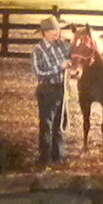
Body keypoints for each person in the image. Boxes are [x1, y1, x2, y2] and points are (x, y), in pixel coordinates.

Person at [30, 13, 71, 165]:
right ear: (45, 33)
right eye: (53, 30)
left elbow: (72, 58)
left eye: (57, 30)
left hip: (61, 89)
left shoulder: (62, 46)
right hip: (47, 90)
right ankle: (45, 158)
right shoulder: (38, 51)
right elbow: (39, 73)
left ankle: (58, 156)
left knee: (60, 122)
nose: (57, 33)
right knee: (47, 124)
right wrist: (59, 67)